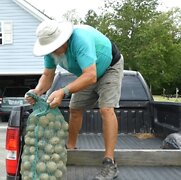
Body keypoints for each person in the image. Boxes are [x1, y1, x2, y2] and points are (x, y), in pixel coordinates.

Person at [25, 20, 124, 180]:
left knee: (106, 109)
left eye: (55, 47)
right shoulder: (51, 51)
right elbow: (48, 75)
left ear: (63, 40)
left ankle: (109, 162)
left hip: (109, 68)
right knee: (75, 109)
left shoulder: (80, 40)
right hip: (87, 73)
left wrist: (63, 91)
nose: (53, 51)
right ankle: (70, 148)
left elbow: (91, 76)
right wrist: (37, 91)